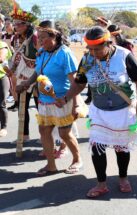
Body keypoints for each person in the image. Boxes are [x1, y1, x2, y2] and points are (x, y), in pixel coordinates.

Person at [55, 26, 137, 197]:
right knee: (97, 146)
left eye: (97, 49)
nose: (93, 52)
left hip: (123, 110)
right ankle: (101, 184)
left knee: (121, 148)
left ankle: (123, 178)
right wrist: (66, 98)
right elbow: (79, 83)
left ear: (108, 43)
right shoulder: (86, 60)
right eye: (90, 49)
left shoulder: (124, 56)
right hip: (99, 111)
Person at [16, 20, 82, 176]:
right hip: (45, 101)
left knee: (64, 133)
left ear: (55, 36)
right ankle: (51, 165)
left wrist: (75, 105)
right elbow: (38, 72)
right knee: (44, 131)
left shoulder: (64, 53)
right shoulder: (42, 53)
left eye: (43, 38)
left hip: (63, 100)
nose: (39, 41)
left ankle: (77, 159)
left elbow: (76, 82)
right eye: (38, 38)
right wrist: (26, 83)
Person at [7, 9, 39, 142]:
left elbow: (42, 56)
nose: (16, 26)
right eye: (15, 24)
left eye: (19, 24)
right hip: (22, 77)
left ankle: (46, 136)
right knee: (22, 107)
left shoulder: (36, 37)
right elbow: (17, 57)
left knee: (41, 106)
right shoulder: (17, 38)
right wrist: (12, 69)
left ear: (27, 25)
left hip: (37, 76)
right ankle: (24, 135)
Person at [0, 39, 12, 137]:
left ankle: (3, 127)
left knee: (1, 104)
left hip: (2, 78)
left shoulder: (2, 44)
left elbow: (1, 58)